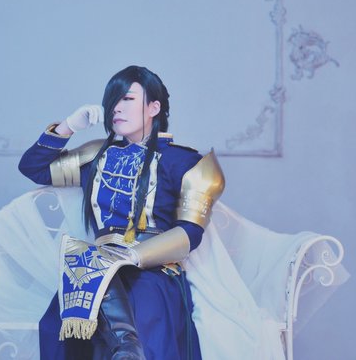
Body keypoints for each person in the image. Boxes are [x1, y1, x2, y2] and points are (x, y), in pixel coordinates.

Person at [18, 65, 225, 360]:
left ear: (154, 107)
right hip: (96, 269)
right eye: (113, 100)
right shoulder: (96, 155)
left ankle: (128, 350)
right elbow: (33, 167)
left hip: (151, 269)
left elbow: (190, 233)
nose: (116, 108)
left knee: (144, 310)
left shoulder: (186, 161)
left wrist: (130, 256)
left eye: (127, 99)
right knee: (58, 321)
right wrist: (68, 126)